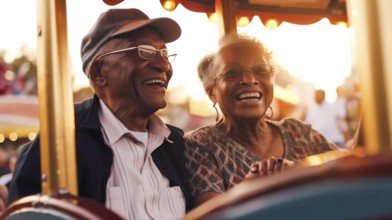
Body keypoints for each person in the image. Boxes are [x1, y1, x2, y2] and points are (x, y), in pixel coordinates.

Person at [8, 8, 191, 219]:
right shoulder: (61, 142)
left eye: (164, 53)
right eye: (145, 51)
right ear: (99, 73)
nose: (163, 65)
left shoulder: (176, 144)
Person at [184, 33, 339, 207]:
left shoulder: (298, 132)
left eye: (261, 71)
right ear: (212, 92)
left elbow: (352, 169)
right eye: (232, 73)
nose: (249, 80)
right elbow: (211, 213)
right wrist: (250, 188)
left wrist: (301, 170)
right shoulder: (201, 144)